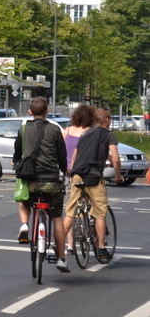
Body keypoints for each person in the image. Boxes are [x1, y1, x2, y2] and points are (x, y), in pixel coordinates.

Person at [13, 97, 70, 273]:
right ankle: (61, 259)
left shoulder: (23, 129)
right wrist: (64, 169)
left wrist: (16, 163)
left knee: (24, 200)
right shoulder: (55, 129)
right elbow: (62, 155)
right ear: (47, 111)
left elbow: (17, 153)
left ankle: (24, 225)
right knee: (57, 218)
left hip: (31, 180)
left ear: (30, 112)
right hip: (51, 181)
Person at [63, 108, 123, 262]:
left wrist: (73, 173)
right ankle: (102, 248)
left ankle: (58, 244)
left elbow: (75, 155)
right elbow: (116, 159)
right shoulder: (108, 135)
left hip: (77, 175)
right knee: (100, 212)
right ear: (107, 121)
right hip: (94, 177)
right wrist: (118, 175)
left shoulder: (85, 134)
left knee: (70, 211)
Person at [62, 104, 96, 254]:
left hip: (68, 172)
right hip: (85, 171)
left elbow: (60, 150)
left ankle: (70, 245)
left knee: (70, 207)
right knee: (92, 203)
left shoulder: (67, 131)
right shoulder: (90, 132)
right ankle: (90, 226)